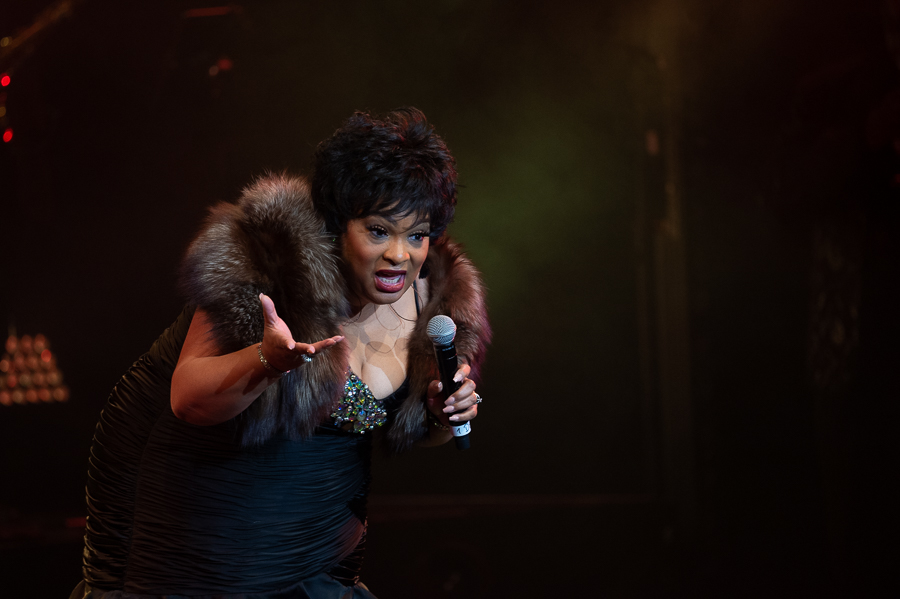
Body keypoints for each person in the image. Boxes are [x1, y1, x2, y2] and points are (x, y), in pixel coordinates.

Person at [69, 107, 490, 599]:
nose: (400, 255)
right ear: (338, 224)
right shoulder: (271, 262)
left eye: (417, 235)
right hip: (190, 520)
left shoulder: (435, 301)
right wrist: (267, 362)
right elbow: (186, 398)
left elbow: (423, 433)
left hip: (314, 541)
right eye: (378, 230)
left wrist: (443, 414)